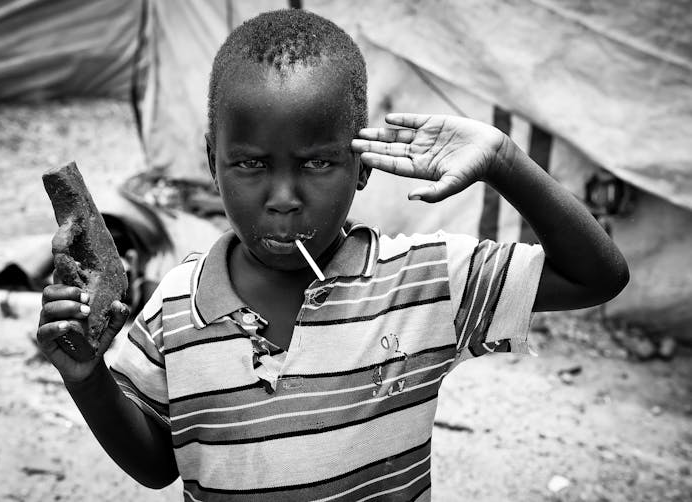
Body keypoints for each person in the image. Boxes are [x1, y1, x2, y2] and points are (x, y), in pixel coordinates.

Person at [36, 9, 628, 501]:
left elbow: (596, 276)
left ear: (363, 164)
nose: (285, 200)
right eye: (251, 164)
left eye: (318, 162)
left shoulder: (422, 283)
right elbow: (156, 465)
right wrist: (89, 380)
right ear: (211, 162)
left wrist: (504, 161)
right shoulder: (175, 310)